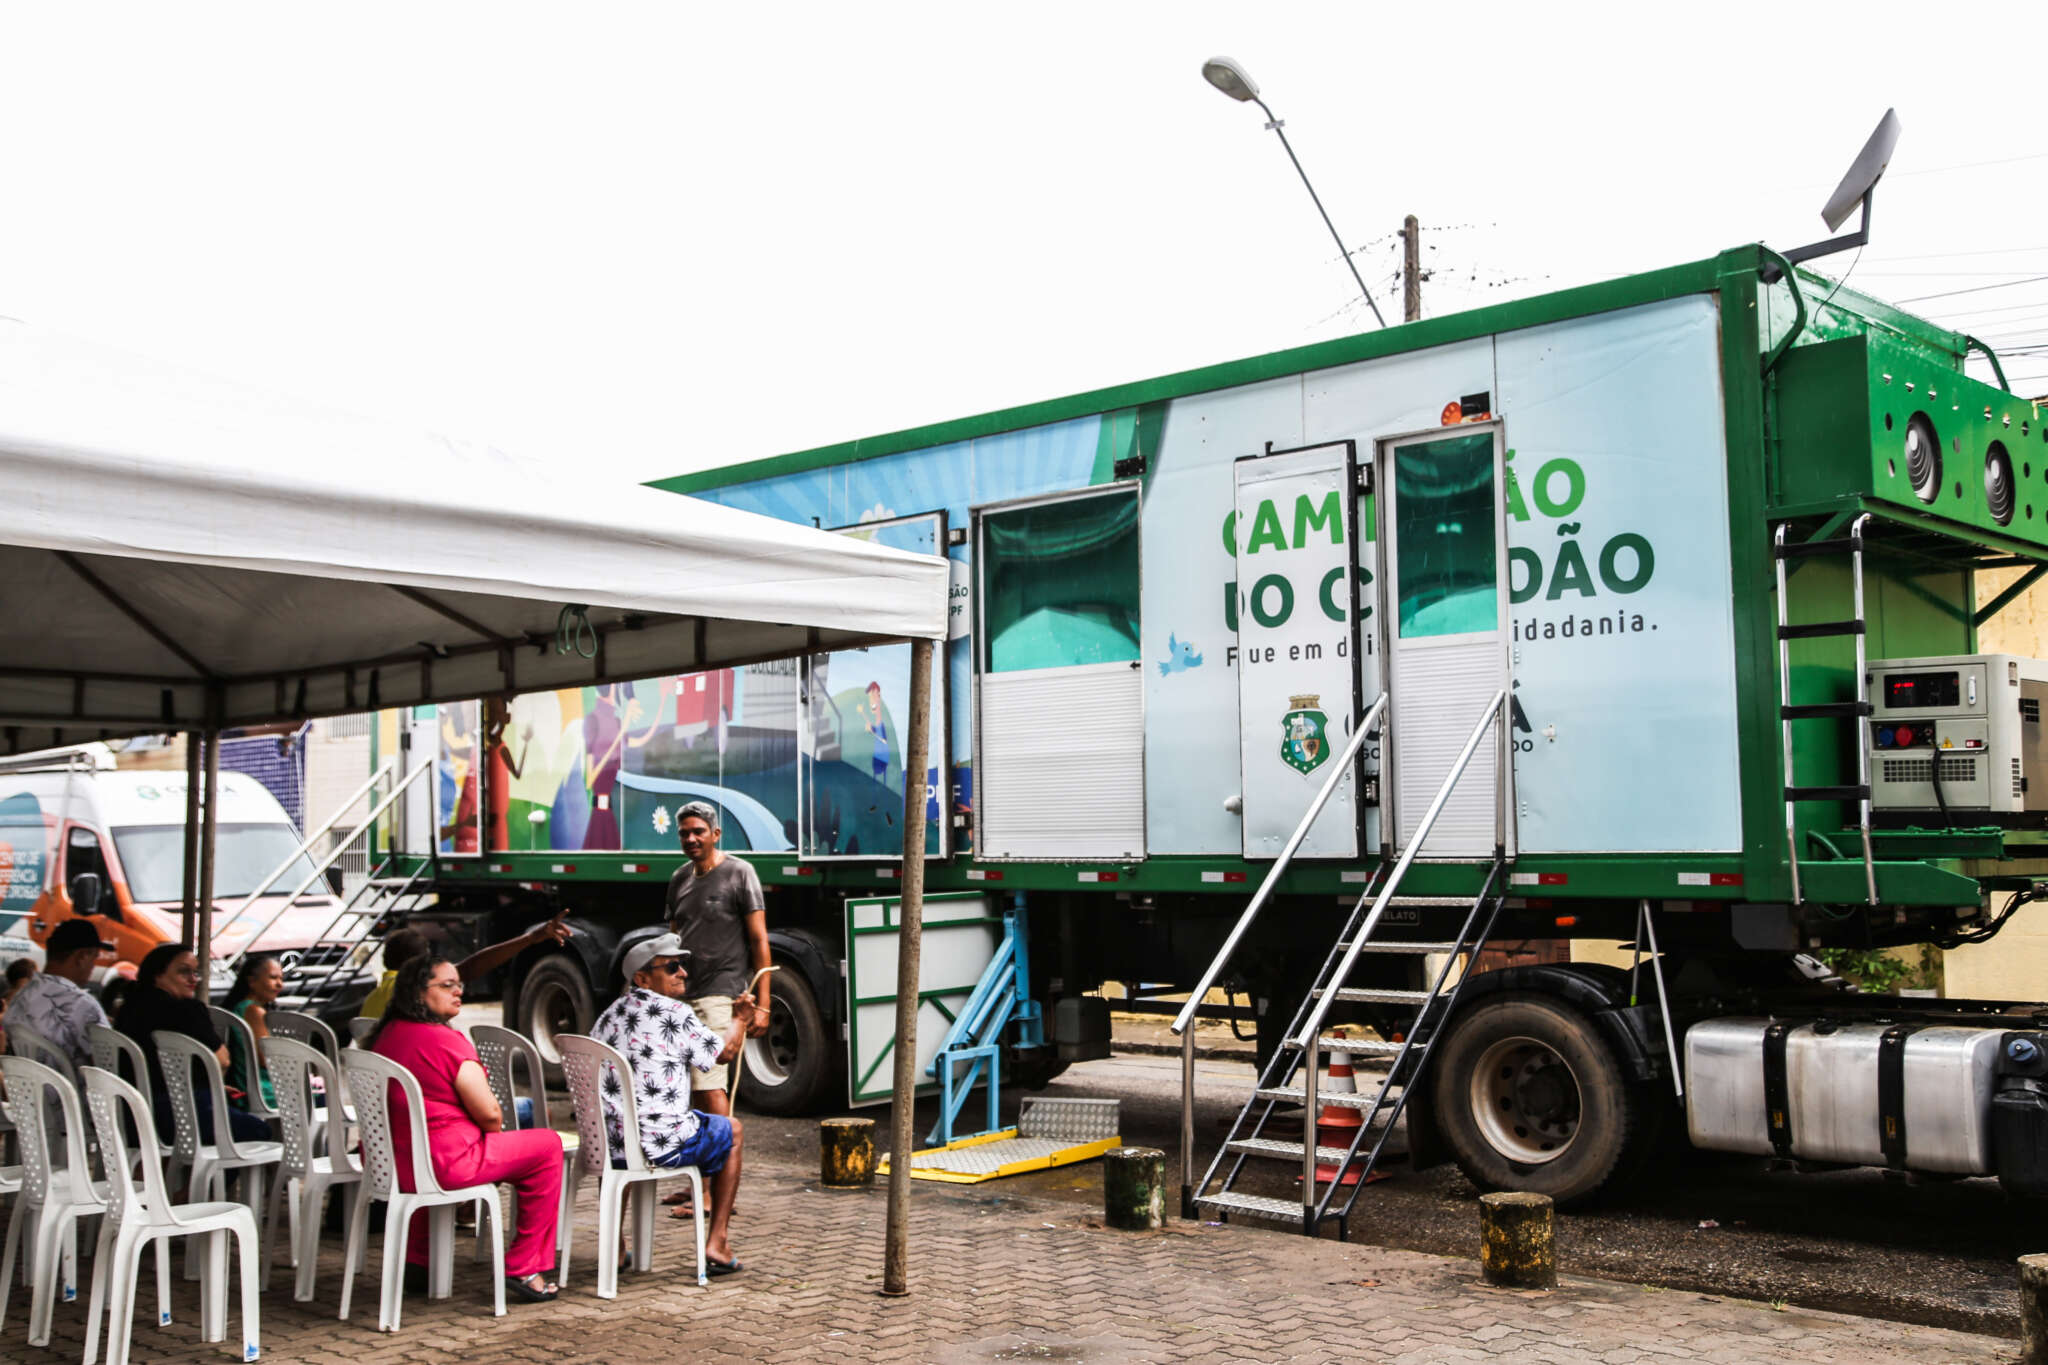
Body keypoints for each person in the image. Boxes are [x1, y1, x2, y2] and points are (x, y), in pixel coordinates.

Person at [368, 953, 564, 1302]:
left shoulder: (386, 1035)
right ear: (417, 993)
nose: (458, 991)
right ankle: (524, 1265)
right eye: (447, 985)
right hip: (446, 1164)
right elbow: (490, 1115)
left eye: (459, 984)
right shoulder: (444, 1040)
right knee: (547, 1145)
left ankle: (420, 1258)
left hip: (397, 1165)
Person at [589, 933, 749, 1275]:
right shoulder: (674, 1013)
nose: (683, 974)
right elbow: (724, 1053)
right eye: (672, 967)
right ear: (642, 979)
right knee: (732, 1130)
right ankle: (718, 1242)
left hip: (609, 1144)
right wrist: (739, 1019)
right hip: (661, 1146)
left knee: (624, 1139)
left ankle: (615, 1246)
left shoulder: (608, 1016)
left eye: (682, 966)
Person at [665, 800, 771, 1121]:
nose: (691, 839)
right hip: (684, 996)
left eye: (698, 832)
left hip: (719, 993)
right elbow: (672, 940)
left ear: (716, 833)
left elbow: (759, 940)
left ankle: (724, 1158)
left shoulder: (739, 872)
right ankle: (709, 1166)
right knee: (691, 1088)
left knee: (709, 1085)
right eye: (684, 834)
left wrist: (763, 1005)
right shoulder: (679, 879)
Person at [115, 941, 270, 1145]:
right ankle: (207, 1178)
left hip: (128, 1114)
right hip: (179, 1117)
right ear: (157, 974)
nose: (193, 979)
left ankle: (193, 1175)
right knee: (259, 1130)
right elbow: (221, 1061)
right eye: (183, 972)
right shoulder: (187, 1010)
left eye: (195, 972)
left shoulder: (127, 1010)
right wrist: (211, 1085)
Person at [358, 914, 573, 1019]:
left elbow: (466, 969)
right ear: (421, 965)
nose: (456, 990)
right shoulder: (416, 991)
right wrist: (530, 939)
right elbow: (470, 968)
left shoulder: (371, 1000)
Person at [3, 918, 112, 1068]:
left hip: (22, 1089)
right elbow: (110, 1067)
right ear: (82, 957)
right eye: (94, 958)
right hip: (69, 1091)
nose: (93, 966)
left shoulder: (19, 997)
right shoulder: (82, 1004)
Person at [223, 953, 282, 1114]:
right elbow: (266, 1059)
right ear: (251, 981)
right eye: (273, 978)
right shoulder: (254, 1011)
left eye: (281, 979)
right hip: (263, 1091)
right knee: (320, 1096)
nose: (279, 984)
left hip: (249, 1086)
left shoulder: (238, 1007)